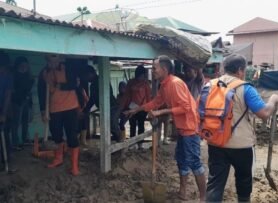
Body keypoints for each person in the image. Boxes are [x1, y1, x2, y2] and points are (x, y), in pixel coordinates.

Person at [125, 55, 206, 202]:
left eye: (154, 68)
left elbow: (185, 107)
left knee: (194, 161)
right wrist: (137, 110)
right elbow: (157, 101)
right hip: (182, 129)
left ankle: (203, 197)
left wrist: (160, 112)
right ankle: (183, 192)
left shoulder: (175, 83)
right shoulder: (165, 85)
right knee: (181, 159)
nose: (153, 71)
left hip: (190, 128)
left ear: (164, 69)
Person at [205, 54, 278, 203]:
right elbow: (264, 114)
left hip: (215, 141)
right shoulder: (245, 88)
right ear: (240, 70)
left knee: (215, 185)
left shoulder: (209, 86)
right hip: (241, 145)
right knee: (244, 184)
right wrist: (273, 100)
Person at [38, 55, 80, 176]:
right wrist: (42, 110)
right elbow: (41, 92)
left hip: (71, 106)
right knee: (56, 133)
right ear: (47, 61)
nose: (53, 63)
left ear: (59, 59)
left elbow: (74, 83)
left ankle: (74, 166)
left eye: (55, 61)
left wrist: (58, 86)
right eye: (50, 61)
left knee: (72, 135)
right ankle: (58, 158)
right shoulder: (44, 73)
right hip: (54, 107)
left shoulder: (68, 68)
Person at [81, 65, 123, 142]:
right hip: (105, 108)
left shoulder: (102, 80)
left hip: (113, 106)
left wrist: (86, 109)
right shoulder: (93, 85)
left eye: (86, 76)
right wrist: (86, 109)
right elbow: (92, 99)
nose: (86, 79)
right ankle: (116, 143)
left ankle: (121, 142)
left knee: (113, 125)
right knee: (107, 126)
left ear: (91, 73)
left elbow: (107, 94)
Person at [122, 65, 151, 149]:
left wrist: (149, 110)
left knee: (141, 125)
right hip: (131, 107)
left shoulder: (145, 83)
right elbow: (126, 95)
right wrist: (124, 106)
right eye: (140, 75)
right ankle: (132, 143)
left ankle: (140, 144)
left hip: (142, 108)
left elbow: (148, 97)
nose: (141, 77)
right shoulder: (131, 82)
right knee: (132, 124)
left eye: (142, 75)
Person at [11, 57, 34, 148]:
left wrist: (30, 102)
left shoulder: (28, 76)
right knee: (15, 123)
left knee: (25, 121)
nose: (24, 67)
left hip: (26, 101)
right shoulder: (14, 75)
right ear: (18, 65)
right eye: (22, 65)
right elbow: (13, 90)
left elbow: (29, 89)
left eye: (26, 65)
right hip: (17, 102)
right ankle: (15, 143)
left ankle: (25, 139)